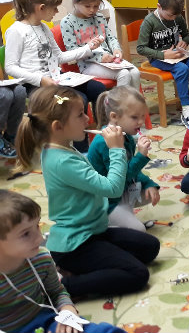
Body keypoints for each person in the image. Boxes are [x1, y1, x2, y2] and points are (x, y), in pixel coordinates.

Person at [15, 86, 160, 298]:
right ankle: (61, 286)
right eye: (80, 114)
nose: (87, 119)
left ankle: (87, 267)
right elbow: (112, 189)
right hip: (75, 244)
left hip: (94, 231)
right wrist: (117, 150)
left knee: (150, 246)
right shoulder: (62, 161)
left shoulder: (62, 147)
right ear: (58, 126)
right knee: (138, 274)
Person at [0, 190, 126, 333]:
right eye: (25, 234)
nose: (40, 238)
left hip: (48, 320)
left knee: (101, 331)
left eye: (37, 226)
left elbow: (57, 292)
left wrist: (68, 310)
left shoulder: (41, 259)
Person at [5, 0, 106, 153]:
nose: (57, 12)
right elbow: (10, 67)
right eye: (55, 8)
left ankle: (103, 136)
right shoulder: (16, 31)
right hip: (33, 85)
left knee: (99, 89)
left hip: (55, 78)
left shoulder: (44, 28)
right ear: (41, 8)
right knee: (79, 100)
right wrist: (40, 79)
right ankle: (82, 151)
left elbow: (59, 57)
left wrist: (88, 48)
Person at [87, 86, 160, 232]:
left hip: (119, 192)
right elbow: (119, 179)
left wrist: (148, 183)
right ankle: (106, 223)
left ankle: (123, 214)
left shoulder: (126, 136)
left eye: (142, 116)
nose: (141, 122)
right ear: (114, 117)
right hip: (104, 202)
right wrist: (140, 156)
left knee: (151, 192)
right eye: (134, 117)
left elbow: (129, 170)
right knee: (139, 231)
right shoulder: (104, 143)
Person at [136, 0, 189, 127]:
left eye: (175, 16)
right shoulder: (149, 22)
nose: (173, 18)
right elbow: (141, 48)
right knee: (182, 70)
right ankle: (186, 109)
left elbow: (187, 35)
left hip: (178, 55)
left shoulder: (177, 17)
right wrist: (162, 54)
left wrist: (185, 42)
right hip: (158, 58)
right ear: (159, 6)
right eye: (169, 15)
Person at [60, 0, 141, 89]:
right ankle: (118, 101)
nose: (92, 10)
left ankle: (133, 100)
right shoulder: (68, 22)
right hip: (88, 64)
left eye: (96, 6)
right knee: (124, 74)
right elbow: (73, 51)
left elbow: (111, 38)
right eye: (87, 6)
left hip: (109, 60)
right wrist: (99, 57)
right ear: (75, 1)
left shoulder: (99, 17)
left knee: (135, 72)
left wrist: (116, 49)